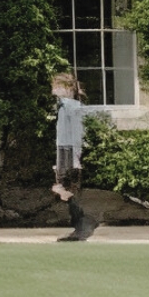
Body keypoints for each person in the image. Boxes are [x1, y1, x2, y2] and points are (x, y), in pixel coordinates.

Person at [50, 71, 100, 242]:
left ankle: (82, 226)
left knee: (68, 190)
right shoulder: (63, 107)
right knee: (64, 190)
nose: (52, 92)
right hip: (64, 150)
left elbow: (77, 135)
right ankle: (79, 227)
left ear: (65, 88)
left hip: (70, 151)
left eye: (55, 88)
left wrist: (75, 158)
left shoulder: (73, 107)